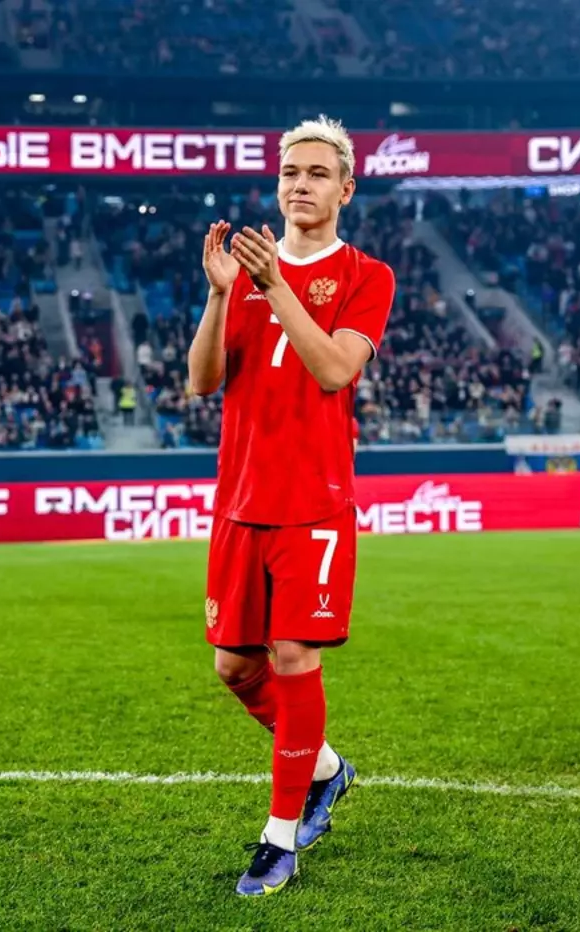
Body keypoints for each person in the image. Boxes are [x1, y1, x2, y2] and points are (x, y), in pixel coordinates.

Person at [187, 115, 395, 896]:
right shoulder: (242, 273)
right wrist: (220, 296)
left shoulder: (367, 276)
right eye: (289, 173)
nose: (299, 185)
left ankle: (280, 841)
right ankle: (328, 769)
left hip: (313, 501)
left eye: (316, 173)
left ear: (346, 189)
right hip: (240, 498)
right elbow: (202, 382)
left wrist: (274, 285)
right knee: (235, 667)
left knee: (294, 658)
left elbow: (336, 370)